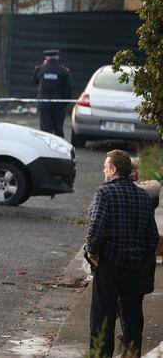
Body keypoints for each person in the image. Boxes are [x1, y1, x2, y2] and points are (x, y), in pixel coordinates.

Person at [85, 149, 158, 358]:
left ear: (113, 169)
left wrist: (92, 251)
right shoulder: (144, 196)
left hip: (108, 264)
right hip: (134, 266)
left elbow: (97, 227)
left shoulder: (104, 193)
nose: (104, 171)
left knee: (103, 318)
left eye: (105, 167)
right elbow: (152, 237)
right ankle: (131, 353)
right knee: (133, 317)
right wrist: (139, 254)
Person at [32, 49, 72, 138]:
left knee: (45, 130)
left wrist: (37, 69)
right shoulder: (63, 71)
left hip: (44, 104)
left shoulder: (41, 69)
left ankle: (45, 150)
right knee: (58, 129)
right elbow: (69, 89)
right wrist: (64, 103)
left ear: (46, 57)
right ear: (57, 57)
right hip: (59, 105)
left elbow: (35, 81)